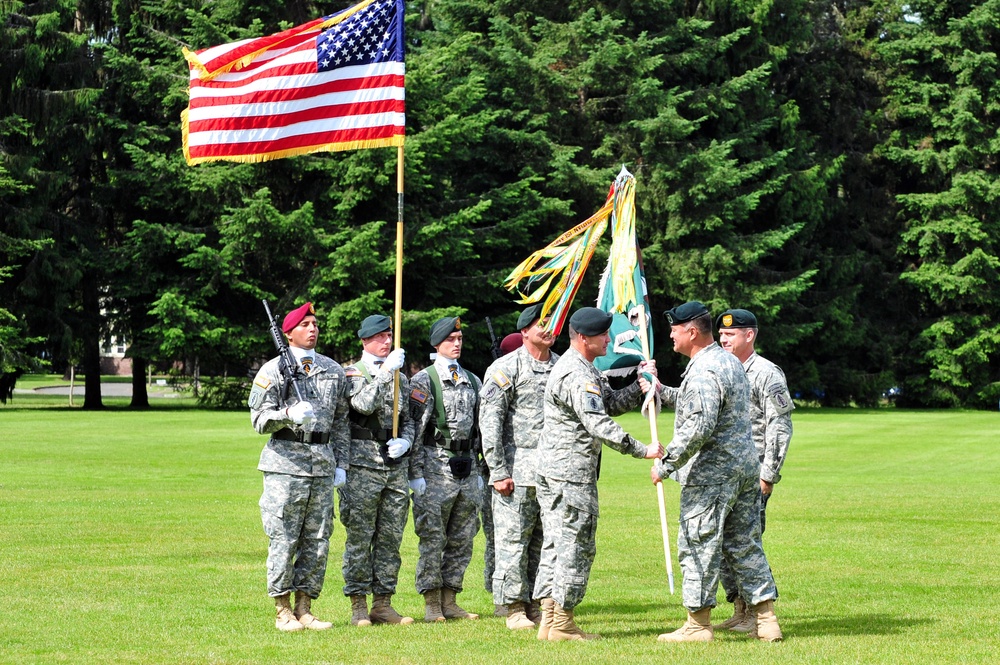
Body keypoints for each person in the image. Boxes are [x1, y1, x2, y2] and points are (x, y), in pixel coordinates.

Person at [649, 301, 782, 643]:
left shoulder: (706, 368)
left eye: (675, 330)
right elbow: (706, 405)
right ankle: (766, 620)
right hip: (743, 469)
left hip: (713, 473)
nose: (671, 336)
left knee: (697, 542)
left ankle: (697, 624)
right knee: (745, 544)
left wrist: (666, 463)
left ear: (691, 332)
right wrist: (659, 389)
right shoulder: (727, 361)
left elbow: (699, 424)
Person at [532, 307, 663, 641]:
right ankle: (562, 623)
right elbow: (597, 422)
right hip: (569, 473)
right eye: (603, 335)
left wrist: (638, 385)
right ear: (582, 338)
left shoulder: (582, 367)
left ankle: (549, 620)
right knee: (576, 544)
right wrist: (640, 448)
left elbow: (607, 404)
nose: (609, 339)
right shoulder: (576, 373)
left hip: (559, 470)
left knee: (556, 544)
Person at [248, 301, 351, 632]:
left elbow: (342, 423)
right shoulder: (272, 370)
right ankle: (282, 610)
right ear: (288, 333)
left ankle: (305, 608)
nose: (313, 328)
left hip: (322, 463)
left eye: (316, 323)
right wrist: (286, 415)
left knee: (318, 539)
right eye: (305, 324)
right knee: (284, 536)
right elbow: (258, 420)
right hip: (286, 464)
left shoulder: (332, 370)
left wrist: (341, 464)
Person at [712, 308, 793, 632]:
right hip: (725, 473)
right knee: (721, 544)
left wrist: (768, 474)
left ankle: (758, 614)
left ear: (750, 335)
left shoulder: (766, 373)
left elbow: (780, 426)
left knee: (745, 542)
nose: (723, 338)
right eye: (720, 334)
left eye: (730, 334)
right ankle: (741, 608)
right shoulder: (722, 369)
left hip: (753, 474)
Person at [480, 304, 557, 630]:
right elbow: (490, 422)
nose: (548, 328)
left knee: (543, 543)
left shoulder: (561, 367)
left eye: (552, 323)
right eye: (542, 323)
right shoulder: (505, 367)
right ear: (524, 331)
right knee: (512, 542)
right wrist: (497, 470)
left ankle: (536, 604)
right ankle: (512, 607)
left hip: (551, 472)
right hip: (516, 470)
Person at [340, 314, 418, 627]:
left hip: (393, 466)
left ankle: (383, 603)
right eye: (381, 337)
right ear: (365, 341)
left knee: (390, 538)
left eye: (389, 336)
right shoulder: (353, 373)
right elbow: (363, 405)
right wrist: (386, 373)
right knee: (360, 538)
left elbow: (410, 418)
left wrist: (407, 442)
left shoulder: (400, 374)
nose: (387, 341)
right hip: (362, 466)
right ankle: (359, 605)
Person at [409, 316, 484, 622]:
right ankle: (431, 603)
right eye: (451, 340)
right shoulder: (424, 381)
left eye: (460, 339)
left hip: (467, 467)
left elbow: (481, 428)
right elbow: (414, 430)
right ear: (437, 343)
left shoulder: (472, 380)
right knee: (432, 537)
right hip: (435, 466)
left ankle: (450, 599)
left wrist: (481, 470)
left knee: (462, 537)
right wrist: (415, 474)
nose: (457, 344)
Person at [483, 329, 523, 618]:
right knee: (502, 538)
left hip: (530, 470)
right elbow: (489, 424)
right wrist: (496, 469)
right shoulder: (500, 373)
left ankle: (527, 598)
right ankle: (503, 599)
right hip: (504, 468)